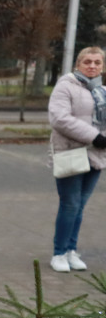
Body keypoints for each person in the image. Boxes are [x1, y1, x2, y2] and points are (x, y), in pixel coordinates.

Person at [47, 46, 106, 273]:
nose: (92, 66)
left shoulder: (101, 90)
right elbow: (60, 118)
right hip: (72, 152)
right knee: (70, 204)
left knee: (80, 206)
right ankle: (59, 253)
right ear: (78, 64)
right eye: (87, 61)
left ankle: (71, 250)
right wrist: (95, 137)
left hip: (96, 155)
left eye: (97, 62)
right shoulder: (66, 86)